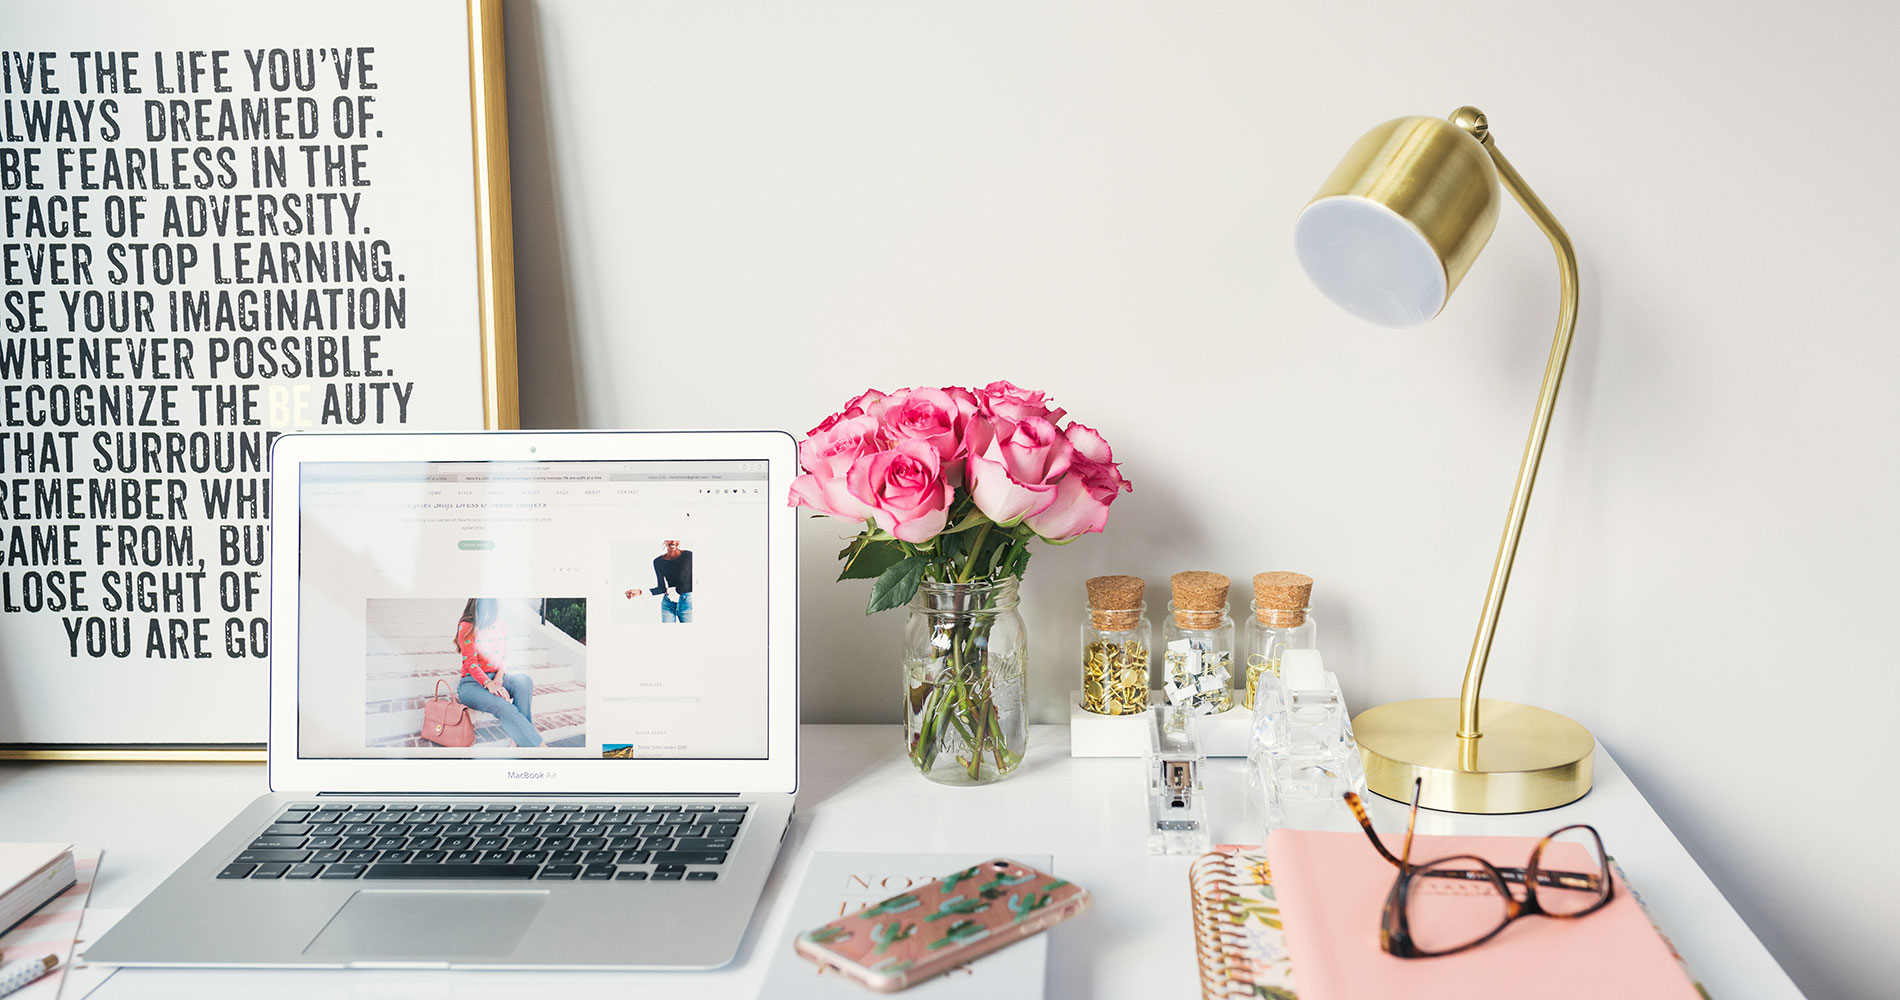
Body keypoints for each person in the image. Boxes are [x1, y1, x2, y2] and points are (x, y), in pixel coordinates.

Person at [452, 598, 541, 747]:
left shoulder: (501, 624)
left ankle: (516, 741)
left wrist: (498, 678)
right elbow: (470, 663)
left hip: (495, 677)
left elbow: (504, 656)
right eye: (496, 604)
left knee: (524, 681)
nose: (499, 607)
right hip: (471, 683)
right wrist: (488, 683)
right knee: (503, 705)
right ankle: (540, 749)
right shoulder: (467, 626)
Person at [623, 540, 694, 622]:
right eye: (669, 539)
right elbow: (661, 588)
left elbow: (691, 583)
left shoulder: (689, 556)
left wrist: (676, 590)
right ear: (664, 541)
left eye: (675, 539)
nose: (673, 542)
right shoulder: (658, 561)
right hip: (668, 603)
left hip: (686, 603)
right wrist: (639, 592)